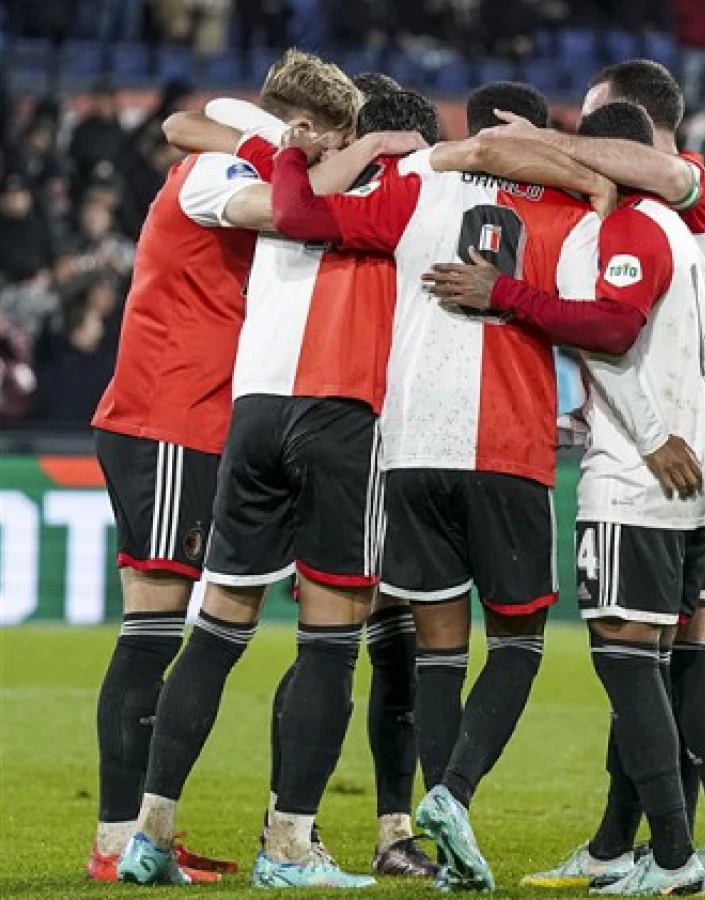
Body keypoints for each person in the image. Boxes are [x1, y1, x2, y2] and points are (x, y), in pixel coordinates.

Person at [267, 81, 624, 891]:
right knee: (520, 644)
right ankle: (451, 797)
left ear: (473, 124)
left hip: (411, 446)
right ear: (529, 127)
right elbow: (593, 320)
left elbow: (302, 217)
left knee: (437, 651)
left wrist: (292, 148)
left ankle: (438, 844)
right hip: (505, 441)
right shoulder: (569, 208)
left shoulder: (416, 181)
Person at [90, 49, 374, 888]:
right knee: (151, 634)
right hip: (169, 414)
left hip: (193, 419)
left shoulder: (237, 145)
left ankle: (137, 835)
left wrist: (293, 143)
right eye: (329, 142)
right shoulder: (216, 176)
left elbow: (203, 115)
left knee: (166, 631)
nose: (328, 159)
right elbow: (285, 208)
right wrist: (324, 160)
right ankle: (117, 840)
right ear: (302, 130)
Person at [500, 59, 705, 893]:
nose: (585, 144)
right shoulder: (649, 211)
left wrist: (540, 143)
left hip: (696, 446)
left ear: (639, 126)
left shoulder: (693, 192)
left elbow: (639, 174)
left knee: (673, 652)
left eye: (595, 125)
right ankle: (627, 844)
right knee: (657, 651)